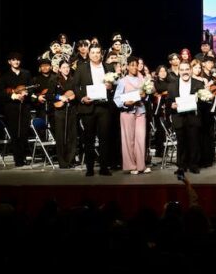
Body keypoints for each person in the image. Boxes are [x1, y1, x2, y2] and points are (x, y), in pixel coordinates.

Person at [72, 44, 115, 176]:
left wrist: (111, 87)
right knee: (88, 139)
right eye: (93, 52)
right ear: (89, 54)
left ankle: (104, 167)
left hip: (104, 107)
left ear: (101, 54)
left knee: (104, 138)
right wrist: (82, 98)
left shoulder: (109, 67)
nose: (95, 55)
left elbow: (115, 86)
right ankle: (89, 168)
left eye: (97, 52)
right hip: (88, 107)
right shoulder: (81, 68)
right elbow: (75, 86)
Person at [113, 56, 151, 175]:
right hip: (127, 112)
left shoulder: (142, 79)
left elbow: (147, 96)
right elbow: (117, 98)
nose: (135, 67)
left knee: (140, 138)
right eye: (132, 65)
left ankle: (141, 165)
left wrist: (145, 95)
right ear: (128, 66)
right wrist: (125, 103)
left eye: (136, 65)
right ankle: (131, 166)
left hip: (140, 111)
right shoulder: (123, 81)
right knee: (128, 140)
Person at [0, 52, 34, 167]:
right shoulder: (5, 76)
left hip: (25, 107)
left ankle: (23, 157)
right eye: (13, 60)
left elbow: (31, 88)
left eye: (18, 60)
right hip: (11, 108)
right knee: (14, 133)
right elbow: (0, 93)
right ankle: (18, 159)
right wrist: (13, 96)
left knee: (24, 132)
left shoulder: (26, 73)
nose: (16, 62)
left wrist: (26, 93)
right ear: (9, 62)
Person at [167, 61, 204, 174]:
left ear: (190, 70)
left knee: (194, 142)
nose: (185, 72)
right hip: (179, 116)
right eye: (182, 70)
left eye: (187, 69)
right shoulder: (172, 85)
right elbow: (168, 102)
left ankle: (193, 165)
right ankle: (181, 166)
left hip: (193, 116)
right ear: (179, 71)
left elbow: (204, 102)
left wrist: (199, 101)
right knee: (181, 142)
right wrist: (171, 105)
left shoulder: (198, 84)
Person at [49, 60, 78, 168]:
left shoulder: (73, 80)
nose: (66, 69)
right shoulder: (54, 80)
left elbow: (77, 93)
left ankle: (71, 160)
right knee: (61, 136)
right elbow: (49, 95)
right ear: (60, 69)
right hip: (60, 111)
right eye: (64, 67)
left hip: (72, 110)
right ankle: (63, 162)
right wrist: (60, 97)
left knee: (72, 136)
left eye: (67, 67)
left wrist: (74, 96)